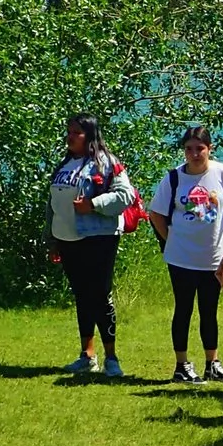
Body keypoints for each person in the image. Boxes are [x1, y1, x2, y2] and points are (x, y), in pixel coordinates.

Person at [149, 126, 223, 384]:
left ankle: (212, 363)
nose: (194, 154)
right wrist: (172, 240)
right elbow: (155, 213)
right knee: (183, 309)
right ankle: (181, 366)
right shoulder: (174, 178)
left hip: (213, 257)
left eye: (199, 148)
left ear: (209, 149)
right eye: (189, 149)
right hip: (181, 258)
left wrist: (222, 236)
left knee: (209, 311)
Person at [48, 115, 136, 379]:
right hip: (66, 239)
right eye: (69, 131)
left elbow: (126, 195)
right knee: (82, 296)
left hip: (98, 238)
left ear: (90, 136)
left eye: (77, 132)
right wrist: (52, 240)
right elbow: (52, 206)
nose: (70, 136)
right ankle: (87, 356)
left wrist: (94, 204)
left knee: (99, 295)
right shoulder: (64, 164)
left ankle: (111, 358)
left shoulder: (107, 163)